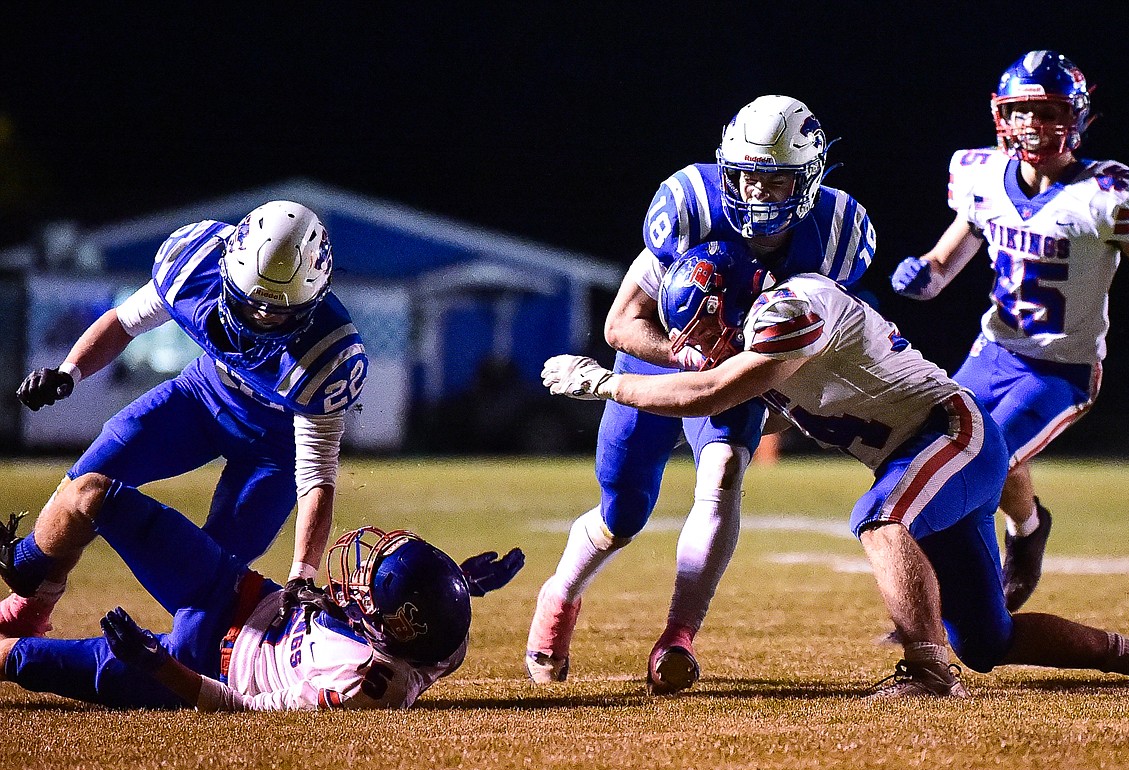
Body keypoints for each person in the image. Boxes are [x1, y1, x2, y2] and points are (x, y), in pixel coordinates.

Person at [541, 243, 1129, 697]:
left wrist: (603, 384)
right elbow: (768, 401)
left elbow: (705, 394)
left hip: (952, 433)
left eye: (705, 326)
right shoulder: (765, 330)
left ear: (736, 300)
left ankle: (925, 674)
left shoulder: (792, 307)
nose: (696, 347)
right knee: (986, 641)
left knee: (880, 518)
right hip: (933, 450)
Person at [526, 95, 876, 695]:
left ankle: (678, 636)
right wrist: (682, 355)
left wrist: (780, 389)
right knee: (623, 512)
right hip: (658, 355)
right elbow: (620, 325)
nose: (760, 194)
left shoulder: (837, 235)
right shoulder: (690, 210)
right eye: (749, 178)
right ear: (727, 168)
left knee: (722, 474)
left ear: (809, 181)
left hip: (741, 366)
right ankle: (560, 595)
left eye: (778, 181)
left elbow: (820, 341)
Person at [5, 201, 369, 637]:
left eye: (278, 313)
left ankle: (176, 660)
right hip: (201, 395)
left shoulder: (328, 357)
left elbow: (316, 475)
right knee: (95, 471)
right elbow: (123, 322)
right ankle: (32, 598)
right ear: (225, 269)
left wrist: (302, 571)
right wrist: (69, 371)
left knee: (207, 570)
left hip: (275, 448)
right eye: (251, 304)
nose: (261, 320)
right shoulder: (194, 266)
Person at [889, 50, 1129, 611]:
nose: (1034, 126)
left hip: (1060, 368)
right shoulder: (981, 175)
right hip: (991, 351)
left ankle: (971, 594)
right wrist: (922, 278)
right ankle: (1028, 525)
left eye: (1050, 111)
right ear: (1002, 116)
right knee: (939, 451)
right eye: (1022, 112)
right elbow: (943, 265)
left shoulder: (1107, 195)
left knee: (984, 457)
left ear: (1079, 117)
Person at [0, 473, 524, 710]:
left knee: (15, 661)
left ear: (394, 629)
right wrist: (455, 581)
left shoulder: (366, 686)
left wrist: (158, 665)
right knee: (92, 492)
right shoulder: (442, 641)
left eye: (369, 584)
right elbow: (428, 618)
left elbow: (240, 708)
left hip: (202, 661)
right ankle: (30, 587)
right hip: (235, 590)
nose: (355, 576)